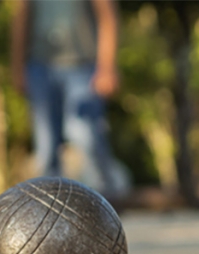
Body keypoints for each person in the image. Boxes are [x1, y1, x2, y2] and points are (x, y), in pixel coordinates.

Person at [10, 0, 130, 203]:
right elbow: (21, 18)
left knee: (86, 136)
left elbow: (107, 14)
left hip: (82, 66)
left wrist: (107, 67)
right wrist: (17, 67)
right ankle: (47, 210)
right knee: (46, 146)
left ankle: (107, 202)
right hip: (40, 66)